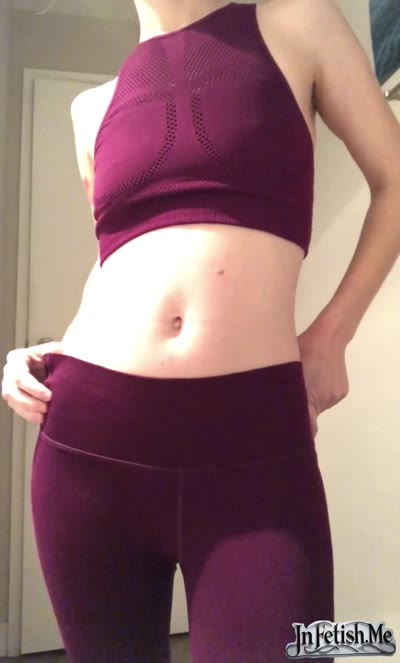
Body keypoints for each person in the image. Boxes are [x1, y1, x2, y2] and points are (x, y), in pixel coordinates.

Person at [2, 1, 400, 661]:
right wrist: (50, 350)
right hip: (90, 445)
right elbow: (115, 257)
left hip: (257, 448)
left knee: (302, 648)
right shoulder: (90, 109)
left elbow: (395, 179)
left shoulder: (296, 22)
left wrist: (333, 334)